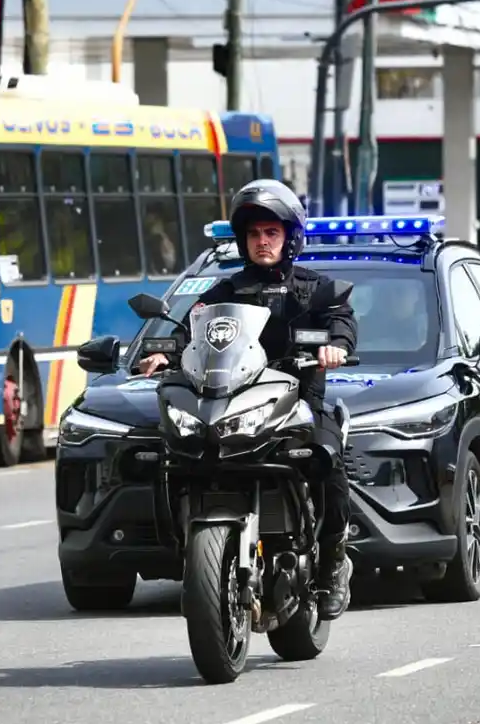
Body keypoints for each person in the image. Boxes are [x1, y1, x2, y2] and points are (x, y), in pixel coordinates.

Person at [133, 179, 359, 620]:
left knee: (325, 455)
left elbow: (341, 324)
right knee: (166, 451)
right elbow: (192, 330)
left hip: (298, 399)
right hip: (234, 404)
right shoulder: (225, 292)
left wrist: (336, 346)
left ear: (289, 238)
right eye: (254, 234)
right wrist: (165, 351)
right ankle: (186, 551)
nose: (262, 241)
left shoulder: (317, 290)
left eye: (271, 233)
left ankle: (334, 562)